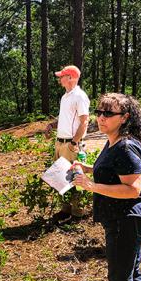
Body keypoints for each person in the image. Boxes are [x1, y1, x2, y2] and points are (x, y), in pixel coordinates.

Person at [72, 93, 141, 281]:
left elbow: (132, 189)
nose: (101, 118)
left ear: (125, 118)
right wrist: (85, 170)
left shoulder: (126, 146)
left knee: (120, 278)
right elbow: (111, 172)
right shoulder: (114, 142)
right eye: (100, 112)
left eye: (109, 114)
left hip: (126, 220)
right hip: (125, 219)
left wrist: (91, 186)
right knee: (131, 273)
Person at [45, 65, 90, 223]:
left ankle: (77, 212)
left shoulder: (79, 96)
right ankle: (65, 209)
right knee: (61, 177)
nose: (59, 79)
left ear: (70, 78)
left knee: (75, 176)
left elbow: (84, 121)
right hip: (60, 143)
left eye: (62, 76)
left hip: (71, 144)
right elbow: (65, 118)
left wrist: (74, 142)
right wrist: (52, 125)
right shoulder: (65, 96)